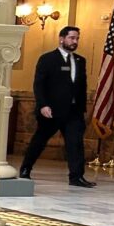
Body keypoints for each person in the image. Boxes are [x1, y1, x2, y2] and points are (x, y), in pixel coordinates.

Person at [20, 26, 93, 187]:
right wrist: (43, 105)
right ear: (62, 39)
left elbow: (82, 86)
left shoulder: (80, 61)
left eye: (77, 38)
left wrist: (82, 109)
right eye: (72, 38)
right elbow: (39, 84)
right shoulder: (47, 59)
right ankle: (25, 169)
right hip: (52, 111)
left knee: (75, 144)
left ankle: (76, 177)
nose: (75, 41)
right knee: (39, 141)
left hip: (74, 112)